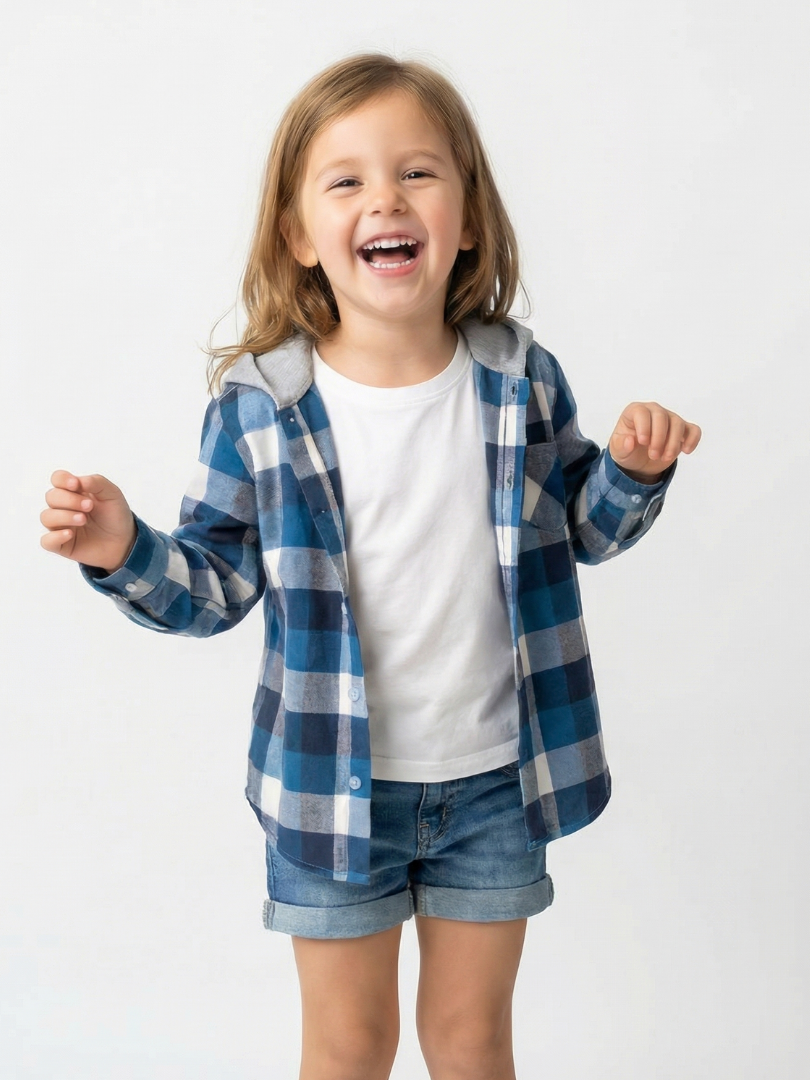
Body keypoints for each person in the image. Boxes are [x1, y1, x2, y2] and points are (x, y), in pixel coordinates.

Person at [40, 53, 701, 1080]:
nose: (385, 198)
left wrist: (631, 472)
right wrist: (123, 550)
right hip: (328, 791)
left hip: (497, 781)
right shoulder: (261, 406)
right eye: (346, 180)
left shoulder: (520, 378)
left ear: (467, 217)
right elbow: (215, 587)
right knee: (350, 1047)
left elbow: (584, 530)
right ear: (300, 236)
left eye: (417, 173)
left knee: (472, 1042)